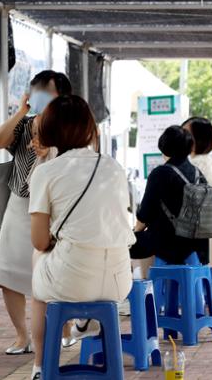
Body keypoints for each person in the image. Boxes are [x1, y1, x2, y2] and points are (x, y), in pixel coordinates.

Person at [28, 96, 134, 380]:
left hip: (70, 278)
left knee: (38, 269)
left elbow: (39, 241)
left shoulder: (45, 172)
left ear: (48, 130)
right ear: (90, 129)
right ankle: (86, 320)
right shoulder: (114, 167)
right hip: (118, 281)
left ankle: (40, 366)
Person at [0, 71, 73, 355]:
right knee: (8, 271)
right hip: (20, 202)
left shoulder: (70, 127)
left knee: (54, 271)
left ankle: (64, 328)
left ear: (61, 96)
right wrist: (22, 110)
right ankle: (21, 336)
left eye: (45, 91)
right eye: (34, 89)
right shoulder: (24, 124)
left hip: (54, 208)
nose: (37, 94)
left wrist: (51, 149)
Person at [129, 126, 209, 265]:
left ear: (164, 145)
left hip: (168, 245)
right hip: (198, 245)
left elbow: (145, 214)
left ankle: (147, 284)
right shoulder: (198, 173)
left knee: (128, 245)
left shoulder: (160, 173)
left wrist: (134, 233)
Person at [181, 117, 212, 268]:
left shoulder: (195, 165)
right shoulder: (209, 162)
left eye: (186, 133)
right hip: (210, 240)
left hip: (197, 244)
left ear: (198, 139)